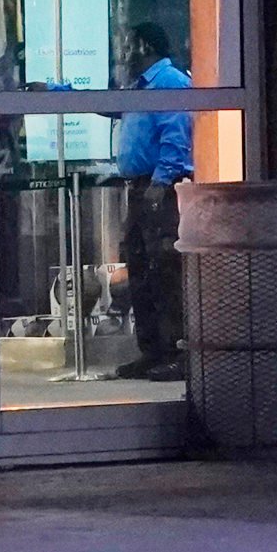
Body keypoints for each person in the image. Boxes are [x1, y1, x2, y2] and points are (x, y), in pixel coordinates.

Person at [115, 21, 194, 378]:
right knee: (140, 270)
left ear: (144, 46)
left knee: (165, 270)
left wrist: (159, 186)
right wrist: (55, 91)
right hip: (141, 188)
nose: (124, 52)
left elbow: (176, 139)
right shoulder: (140, 86)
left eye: (128, 45)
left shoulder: (171, 82)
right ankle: (154, 351)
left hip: (160, 188)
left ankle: (178, 353)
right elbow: (109, 105)